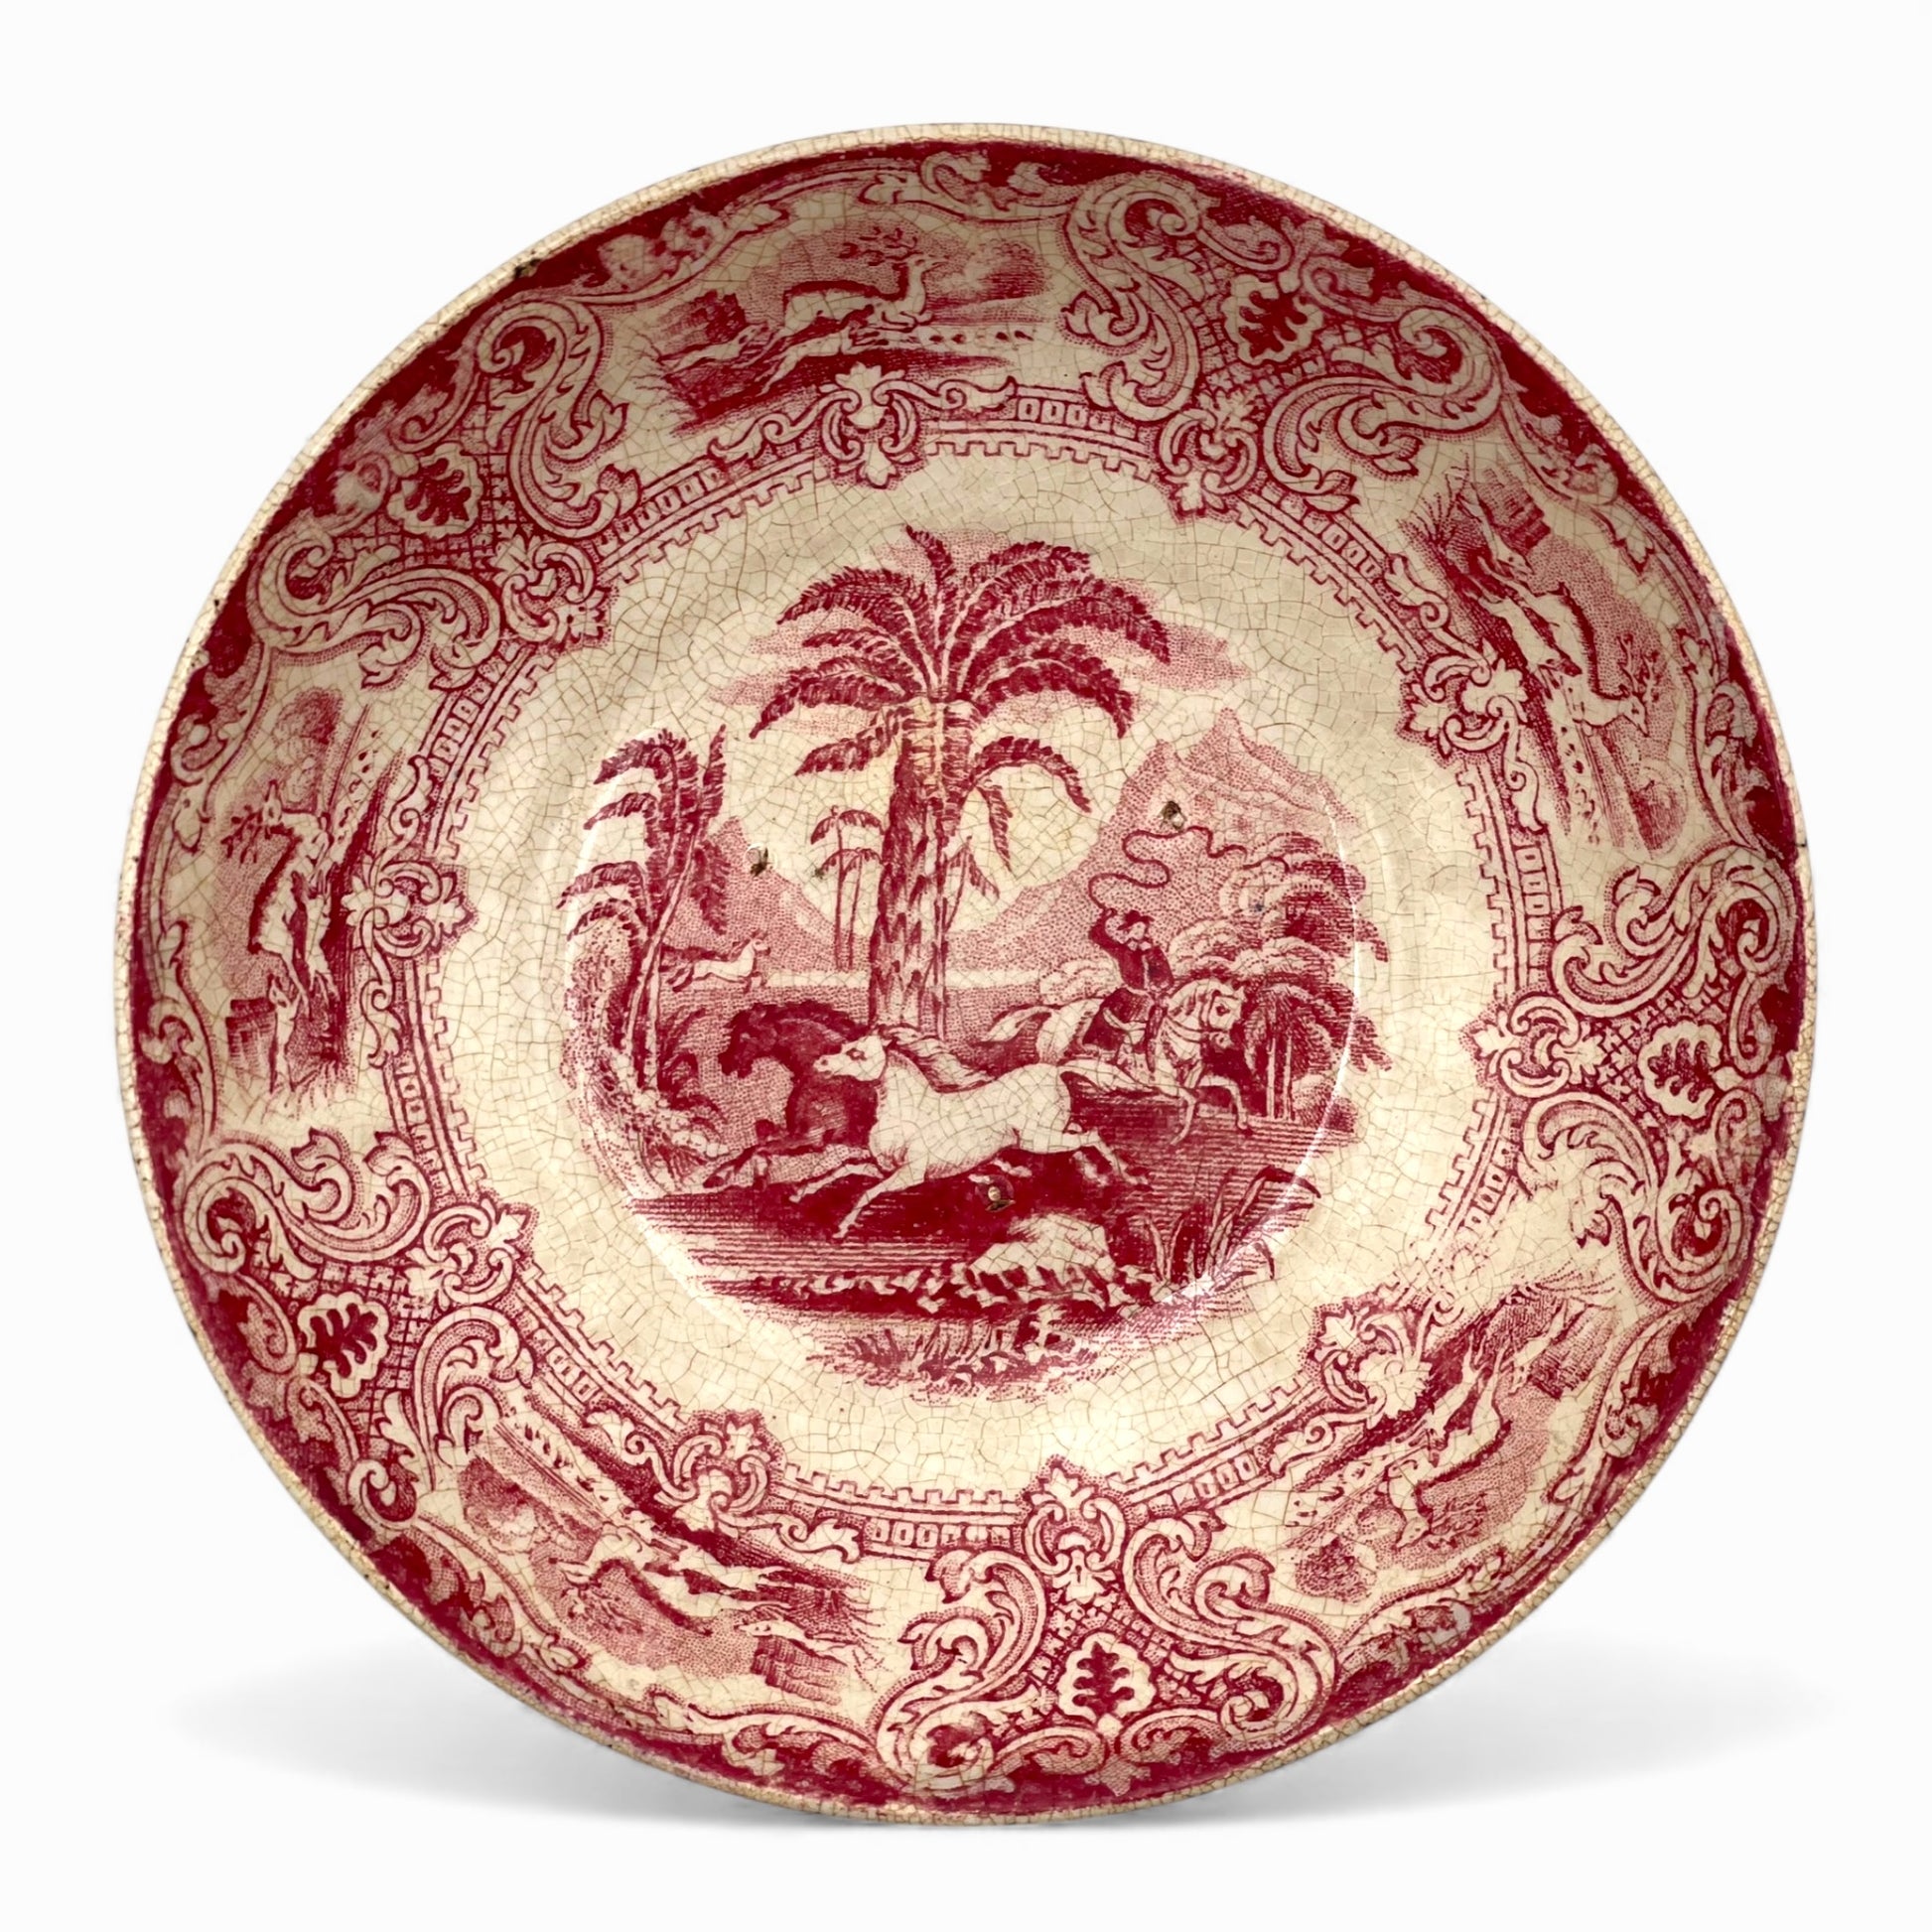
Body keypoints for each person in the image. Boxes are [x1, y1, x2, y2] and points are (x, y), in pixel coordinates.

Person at [1084, 908, 1173, 1062]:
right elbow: (1097, 936)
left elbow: (1166, 978)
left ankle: (1149, 1053)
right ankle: (1101, 1054)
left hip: (1149, 998)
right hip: (1125, 998)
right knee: (1106, 1019)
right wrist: (1104, 918)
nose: (1138, 930)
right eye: (1135, 927)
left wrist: (1149, 954)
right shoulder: (1123, 951)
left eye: (1141, 927)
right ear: (1128, 930)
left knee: (1156, 1026)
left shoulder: (1154, 951)